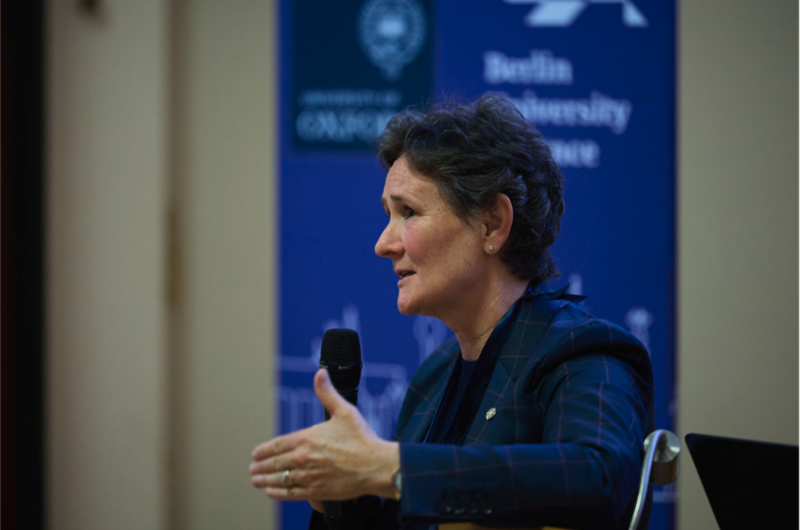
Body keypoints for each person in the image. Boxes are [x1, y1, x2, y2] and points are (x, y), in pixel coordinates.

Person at [249, 95, 654, 530]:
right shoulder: (433, 376)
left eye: (408, 212)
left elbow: (599, 481)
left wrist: (389, 467)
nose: (384, 243)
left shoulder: (582, 352)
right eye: (388, 215)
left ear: (492, 224)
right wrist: (342, 498)